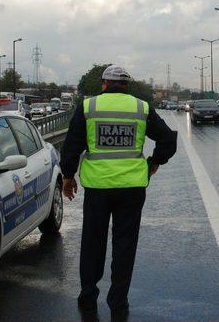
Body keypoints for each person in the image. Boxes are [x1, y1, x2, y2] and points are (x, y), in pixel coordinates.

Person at [60, 65, 177, 321]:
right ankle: (118, 301)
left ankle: (88, 296)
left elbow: (72, 144)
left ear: (104, 84)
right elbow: (168, 139)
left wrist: (67, 176)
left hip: (98, 189)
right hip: (132, 189)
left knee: (93, 243)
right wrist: (154, 161)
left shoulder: (89, 107)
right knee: (125, 246)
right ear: (127, 86)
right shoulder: (141, 108)